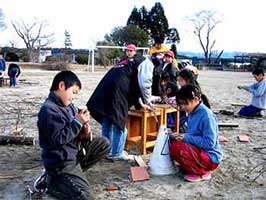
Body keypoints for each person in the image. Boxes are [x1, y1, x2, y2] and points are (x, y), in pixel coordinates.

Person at [34, 71, 110, 199]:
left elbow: (73, 133)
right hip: (61, 163)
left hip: (73, 154)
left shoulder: (69, 106)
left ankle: (71, 177)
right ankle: (53, 181)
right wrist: (77, 123)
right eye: (73, 92)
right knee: (84, 196)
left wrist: (84, 132)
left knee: (103, 144)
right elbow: (57, 140)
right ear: (62, 86)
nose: (74, 97)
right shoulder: (49, 110)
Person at [86, 52, 155, 161]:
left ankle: (105, 150)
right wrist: (148, 99)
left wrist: (142, 104)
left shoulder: (128, 61)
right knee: (120, 124)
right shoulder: (146, 62)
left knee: (107, 120)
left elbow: (133, 84)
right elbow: (144, 83)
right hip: (117, 92)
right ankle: (117, 153)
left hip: (106, 89)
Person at [169, 84, 223, 182]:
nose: (183, 107)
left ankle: (202, 172)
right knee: (173, 143)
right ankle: (194, 167)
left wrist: (186, 137)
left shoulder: (206, 115)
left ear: (196, 99)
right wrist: (180, 136)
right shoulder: (192, 112)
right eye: (181, 104)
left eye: (185, 104)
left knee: (178, 148)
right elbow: (194, 134)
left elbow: (209, 143)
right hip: (200, 151)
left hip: (210, 157)